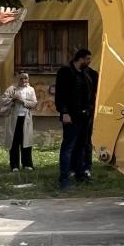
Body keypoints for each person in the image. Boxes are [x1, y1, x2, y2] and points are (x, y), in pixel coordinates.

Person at [55, 47, 98, 189]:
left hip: (84, 115)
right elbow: (60, 94)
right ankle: (64, 178)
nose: (89, 62)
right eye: (87, 59)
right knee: (68, 146)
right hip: (71, 116)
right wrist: (64, 112)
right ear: (80, 58)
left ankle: (80, 173)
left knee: (82, 145)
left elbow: (94, 85)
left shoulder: (86, 73)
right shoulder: (66, 72)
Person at [0, 70, 37, 171]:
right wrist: (12, 99)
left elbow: (34, 103)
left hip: (26, 119)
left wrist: (22, 101)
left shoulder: (31, 90)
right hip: (14, 119)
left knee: (26, 141)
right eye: (21, 78)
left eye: (25, 78)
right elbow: (3, 100)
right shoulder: (12, 89)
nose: (23, 80)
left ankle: (27, 164)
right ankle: (14, 165)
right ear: (17, 79)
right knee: (14, 142)